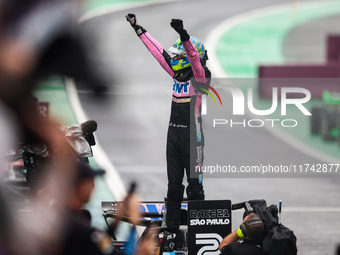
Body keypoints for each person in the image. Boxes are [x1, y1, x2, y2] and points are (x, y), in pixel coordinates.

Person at [126, 14, 211, 234]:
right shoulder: (176, 75)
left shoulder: (201, 79)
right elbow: (158, 53)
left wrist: (184, 35)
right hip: (173, 136)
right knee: (173, 188)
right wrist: (138, 29)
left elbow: (193, 58)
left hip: (194, 139)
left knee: (194, 188)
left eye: (178, 55)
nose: (174, 59)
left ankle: (198, 232)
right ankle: (171, 230)